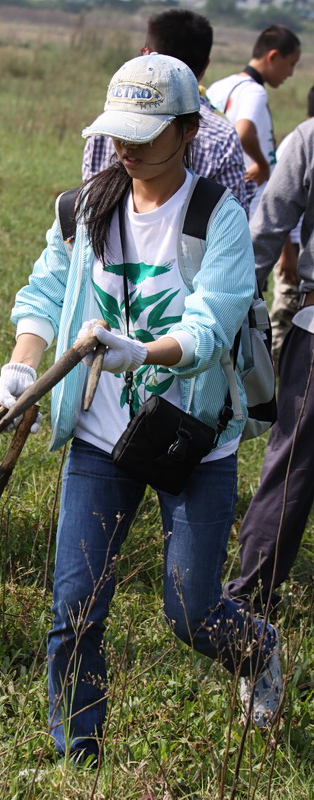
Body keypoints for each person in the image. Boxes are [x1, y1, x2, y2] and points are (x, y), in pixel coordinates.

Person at [0, 54, 283, 762]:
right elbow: (43, 290)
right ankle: (77, 752)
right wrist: (21, 364)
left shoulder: (216, 217)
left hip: (190, 436)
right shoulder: (85, 205)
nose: (125, 147)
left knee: (188, 610)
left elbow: (211, 329)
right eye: (117, 131)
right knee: (74, 607)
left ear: (188, 130)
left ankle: (256, 648)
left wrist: (140, 352)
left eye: (144, 133)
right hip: (100, 437)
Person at [225, 116, 314, 614]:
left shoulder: (310, 137)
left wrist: (232, 315)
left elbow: (265, 232)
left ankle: (249, 599)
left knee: (293, 463)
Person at [82, 8, 248, 214]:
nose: (128, 144)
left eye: (148, 136)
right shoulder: (222, 138)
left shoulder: (104, 128)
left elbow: (89, 207)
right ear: (205, 66)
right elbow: (236, 216)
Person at [207, 25, 300, 219]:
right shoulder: (254, 91)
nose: (291, 73)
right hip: (251, 198)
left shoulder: (218, 86)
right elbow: (243, 133)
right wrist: (262, 164)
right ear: (273, 56)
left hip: (217, 191)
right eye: (291, 64)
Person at [268, 86, 314, 367]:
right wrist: (286, 251)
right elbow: (279, 209)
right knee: (284, 309)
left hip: (299, 248)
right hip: (293, 247)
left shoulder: (305, 137)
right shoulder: (301, 140)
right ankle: (274, 362)